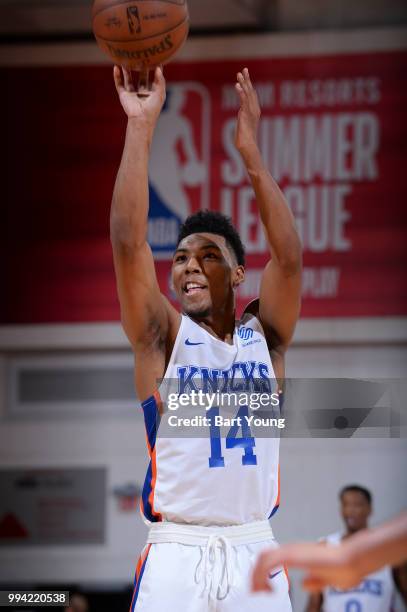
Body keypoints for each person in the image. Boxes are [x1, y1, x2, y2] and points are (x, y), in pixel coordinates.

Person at [111, 64, 302, 611]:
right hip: (176, 551)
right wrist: (141, 127)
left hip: (253, 550)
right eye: (181, 258)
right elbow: (127, 245)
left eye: (208, 256)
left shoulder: (267, 340)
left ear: (239, 273)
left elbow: (288, 257)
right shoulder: (163, 339)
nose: (189, 267)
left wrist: (253, 159)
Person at [252, 486, 407, 611]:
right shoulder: (326, 546)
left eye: (357, 505)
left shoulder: (390, 552)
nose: (351, 510)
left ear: (370, 509)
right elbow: (314, 603)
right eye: (346, 504)